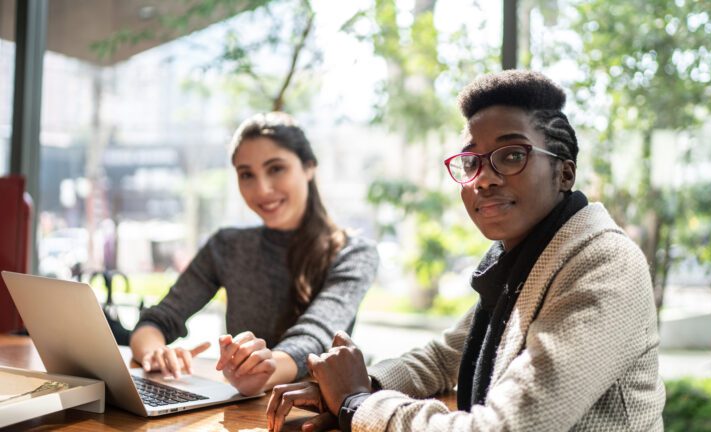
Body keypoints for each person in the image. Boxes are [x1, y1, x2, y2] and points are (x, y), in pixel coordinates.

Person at [266, 70, 666, 431]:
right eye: (471, 162)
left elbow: (506, 428)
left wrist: (358, 403)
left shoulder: (604, 263)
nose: (484, 180)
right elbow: (444, 358)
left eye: (512, 155)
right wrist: (361, 384)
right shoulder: (525, 258)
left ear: (564, 173)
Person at [130, 112, 379, 396]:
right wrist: (155, 352)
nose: (262, 189)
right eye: (246, 174)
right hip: (238, 409)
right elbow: (157, 319)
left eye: (276, 169)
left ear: (309, 167)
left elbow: (315, 338)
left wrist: (267, 368)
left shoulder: (354, 253)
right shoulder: (226, 246)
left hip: (314, 414)